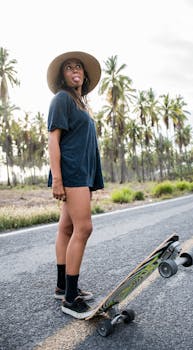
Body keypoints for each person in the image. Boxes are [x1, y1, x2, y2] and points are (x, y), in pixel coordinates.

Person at [46, 51, 104, 319]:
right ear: (63, 76)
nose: (74, 70)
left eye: (78, 67)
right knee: (85, 228)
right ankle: (70, 298)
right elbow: (53, 141)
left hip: (81, 173)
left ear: (84, 74)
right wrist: (57, 178)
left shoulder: (80, 104)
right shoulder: (61, 99)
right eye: (69, 68)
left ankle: (63, 286)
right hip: (71, 174)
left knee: (67, 228)